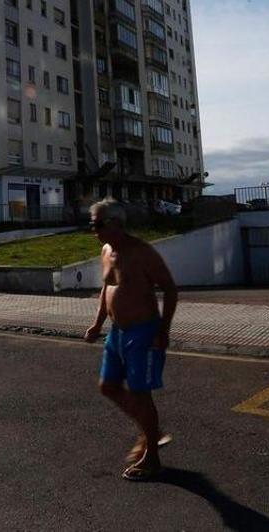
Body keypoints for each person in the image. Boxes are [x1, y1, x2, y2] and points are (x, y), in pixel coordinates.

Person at [83, 198, 178, 482]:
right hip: (117, 332)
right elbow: (107, 289)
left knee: (139, 393)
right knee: (108, 386)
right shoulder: (106, 250)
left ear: (115, 223)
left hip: (143, 332)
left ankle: (152, 457)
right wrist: (98, 323)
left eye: (97, 224)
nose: (93, 230)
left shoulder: (142, 252)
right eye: (92, 225)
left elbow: (171, 289)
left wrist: (163, 330)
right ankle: (152, 432)